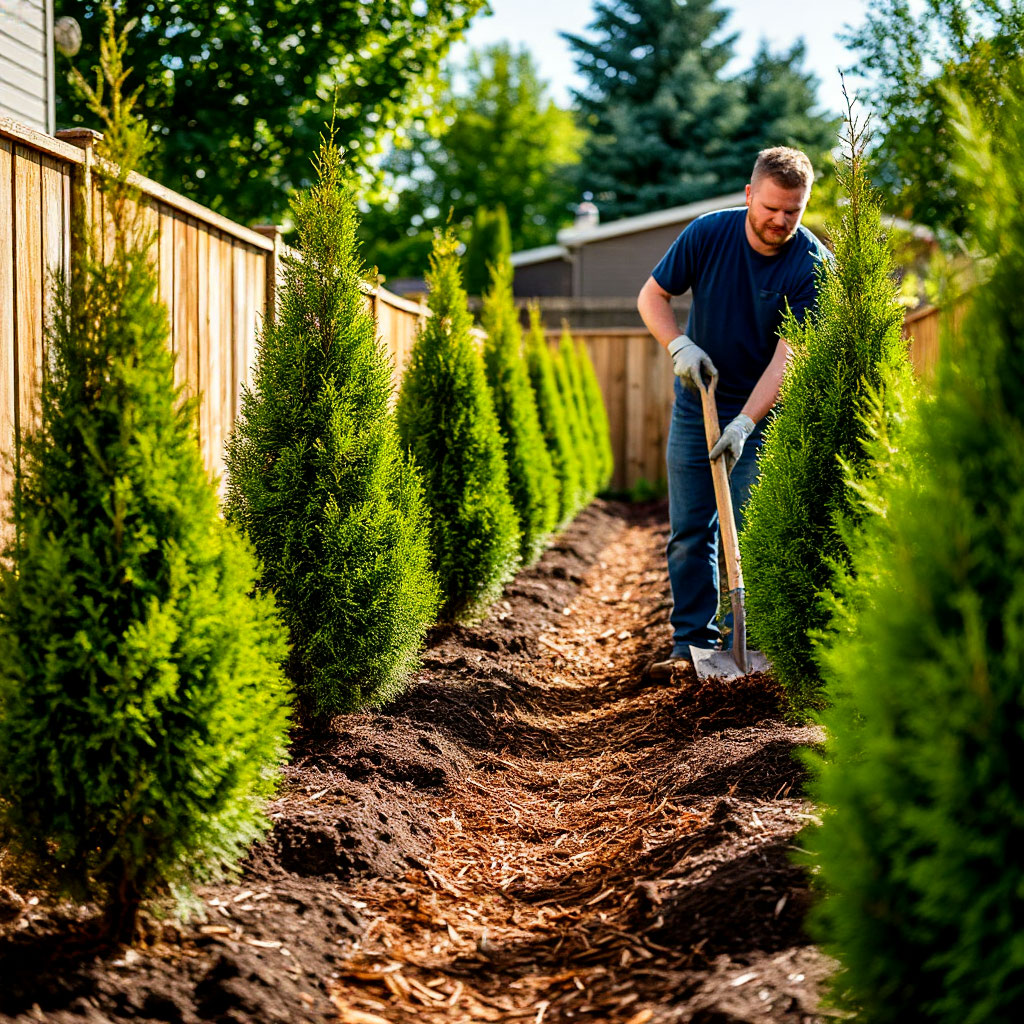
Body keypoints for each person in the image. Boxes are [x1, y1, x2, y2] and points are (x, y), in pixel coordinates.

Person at [636, 147, 828, 675]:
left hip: (764, 415)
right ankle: (690, 644)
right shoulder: (707, 234)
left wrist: (745, 422)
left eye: (792, 211)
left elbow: (791, 357)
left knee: (752, 530)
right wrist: (679, 345)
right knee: (690, 530)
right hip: (697, 405)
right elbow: (652, 297)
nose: (780, 221)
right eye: (770, 207)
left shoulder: (811, 264)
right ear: (749, 194)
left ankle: (756, 645)